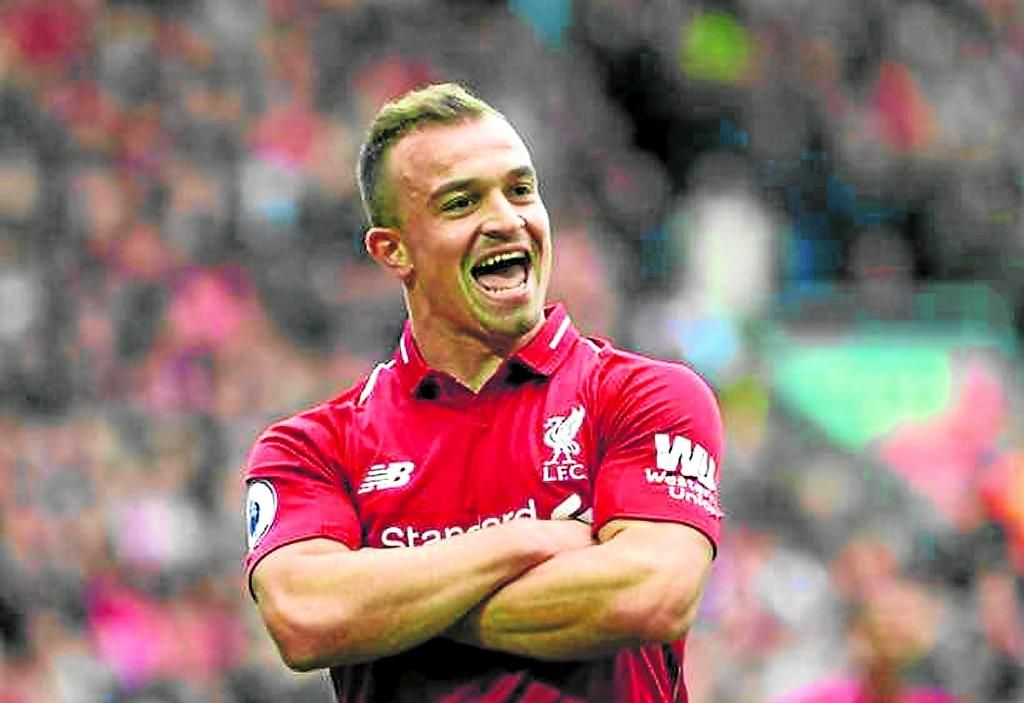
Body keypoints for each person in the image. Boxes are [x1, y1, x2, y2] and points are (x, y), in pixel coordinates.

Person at [242, 82, 725, 702]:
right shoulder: (313, 448)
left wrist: (388, 612)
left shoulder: (645, 396)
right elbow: (307, 619)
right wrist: (527, 540)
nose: (505, 220)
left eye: (520, 190)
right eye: (461, 202)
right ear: (394, 250)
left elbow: (651, 597)